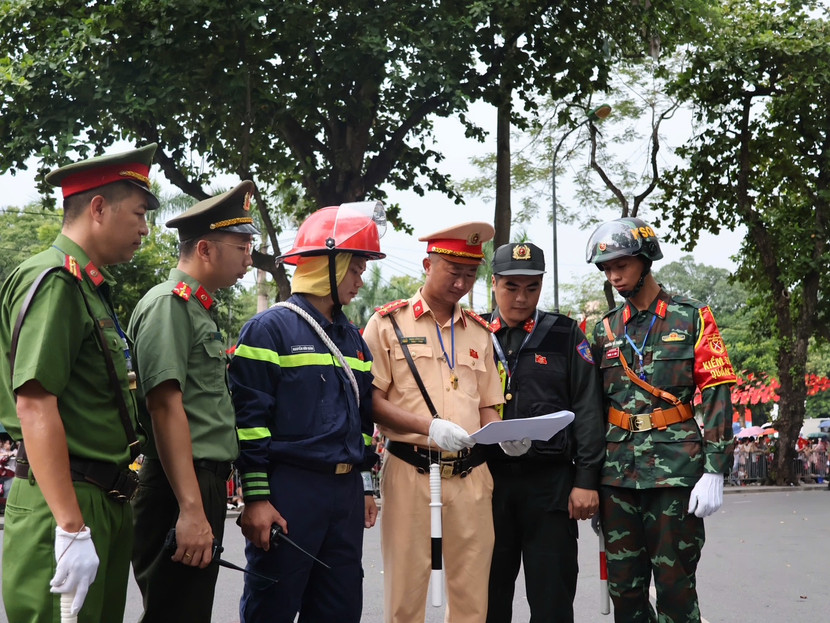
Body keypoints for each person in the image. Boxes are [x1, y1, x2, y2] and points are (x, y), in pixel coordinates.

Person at [0, 144, 158, 621]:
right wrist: (70, 527)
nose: (145, 229)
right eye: (138, 214)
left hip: (100, 499)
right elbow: (34, 403)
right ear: (97, 208)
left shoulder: (87, 286)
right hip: (65, 501)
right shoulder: (56, 281)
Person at [228, 202, 384, 622]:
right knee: (272, 608)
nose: (360, 277)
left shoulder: (353, 338)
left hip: (346, 496)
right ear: (327, 265)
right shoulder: (269, 329)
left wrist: (366, 485)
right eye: (355, 266)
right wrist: (257, 498)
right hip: (290, 492)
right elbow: (249, 423)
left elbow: (364, 422)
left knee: (340, 608)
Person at [586, 217, 737, 622]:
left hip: (675, 472)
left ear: (646, 259)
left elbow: (718, 389)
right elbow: (590, 407)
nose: (614, 276)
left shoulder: (692, 318)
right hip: (616, 476)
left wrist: (716, 467)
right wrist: (586, 476)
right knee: (624, 590)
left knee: (675, 587)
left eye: (621, 265)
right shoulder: (602, 331)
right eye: (606, 269)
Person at [128, 180, 259, 622]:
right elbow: (165, 408)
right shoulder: (169, 305)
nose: (249, 258)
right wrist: (189, 508)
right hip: (179, 484)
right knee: (175, 612)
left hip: (197, 481)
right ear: (205, 248)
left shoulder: (195, 308)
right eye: (241, 246)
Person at [362, 222, 506, 623]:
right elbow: (370, 401)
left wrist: (503, 435)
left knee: (472, 595)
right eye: (452, 271)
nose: (461, 283)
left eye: (470, 274)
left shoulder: (479, 332)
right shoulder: (388, 324)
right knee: (405, 593)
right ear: (428, 264)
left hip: (470, 475)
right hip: (411, 468)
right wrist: (428, 428)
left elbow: (489, 405)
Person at [483, 242, 606, 623]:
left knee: (552, 598)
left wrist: (586, 479)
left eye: (531, 288)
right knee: (486, 598)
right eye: (511, 287)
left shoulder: (566, 334)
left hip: (550, 484)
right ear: (494, 283)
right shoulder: (473, 334)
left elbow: (588, 407)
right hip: (488, 482)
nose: (521, 298)